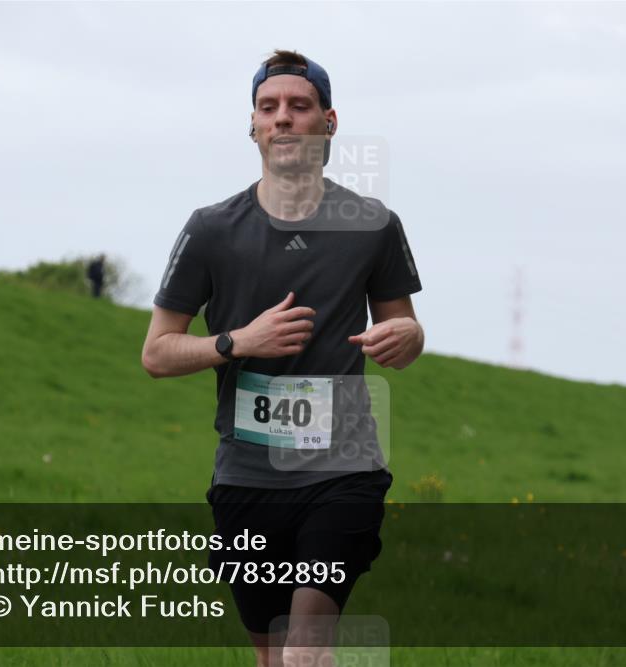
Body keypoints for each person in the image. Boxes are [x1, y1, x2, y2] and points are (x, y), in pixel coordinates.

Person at [142, 49, 424, 666]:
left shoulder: (373, 225)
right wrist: (237, 342)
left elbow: (401, 331)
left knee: (303, 653)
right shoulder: (211, 229)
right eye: (268, 108)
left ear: (329, 121)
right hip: (247, 476)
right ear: (253, 125)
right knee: (273, 658)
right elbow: (157, 353)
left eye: (299, 106)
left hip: (343, 470)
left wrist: (408, 337)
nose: (283, 118)